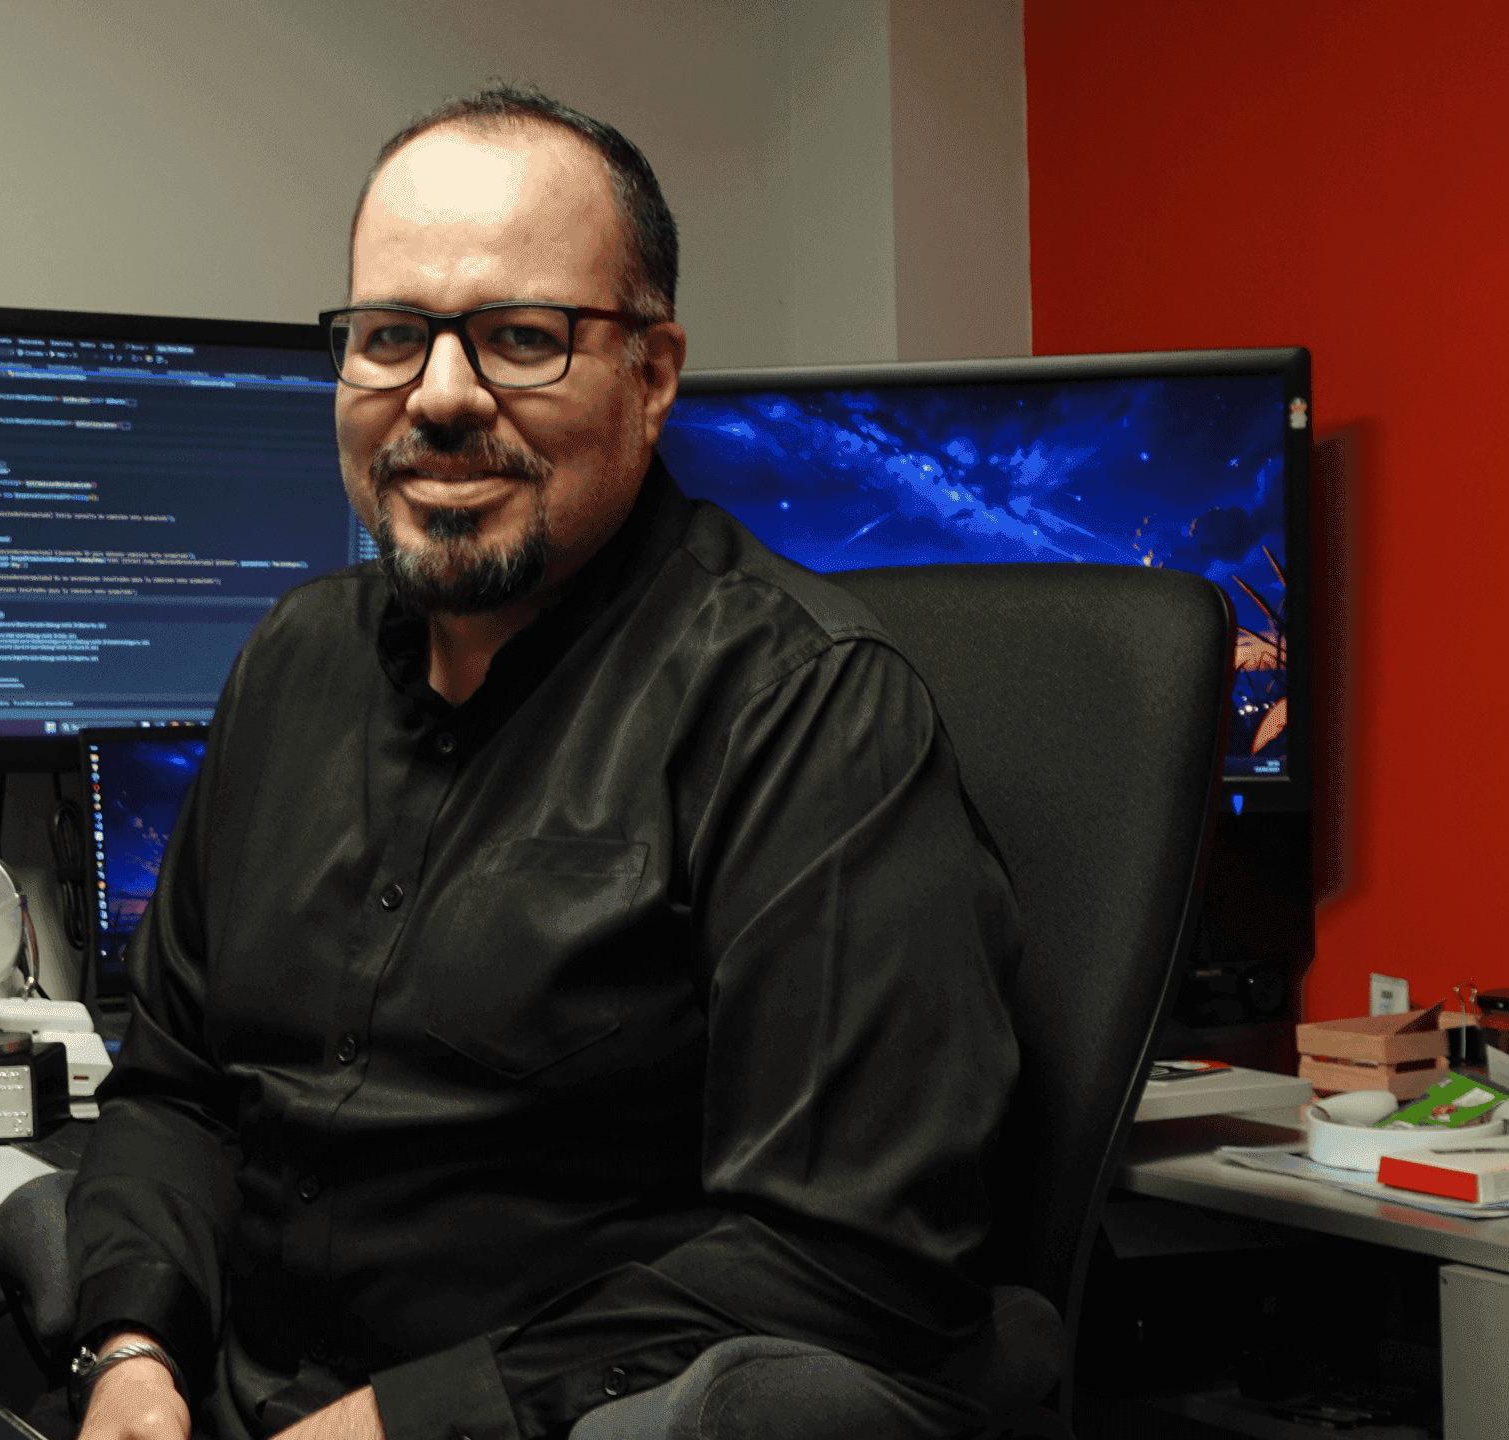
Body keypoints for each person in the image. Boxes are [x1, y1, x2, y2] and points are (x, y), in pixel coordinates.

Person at [65, 85, 1022, 1440]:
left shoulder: (803, 710)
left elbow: (847, 1258)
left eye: (522, 338)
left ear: (653, 373)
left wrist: (403, 1423)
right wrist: (130, 1352)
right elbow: (173, 1091)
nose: (441, 396)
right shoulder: (290, 661)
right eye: (390, 337)